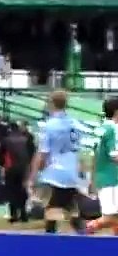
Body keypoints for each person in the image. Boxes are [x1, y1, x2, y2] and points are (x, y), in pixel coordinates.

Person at [30, 91, 86, 234]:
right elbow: (78, 151)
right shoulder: (75, 124)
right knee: (72, 209)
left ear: (51, 104)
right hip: (71, 171)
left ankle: (50, 243)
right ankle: (84, 235)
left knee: (51, 208)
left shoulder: (50, 125)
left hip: (54, 172)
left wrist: (33, 175)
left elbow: (42, 153)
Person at [85, 98, 118, 235]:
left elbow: (94, 155)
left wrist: (93, 179)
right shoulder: (113, 129)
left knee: (114, 216)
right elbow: (115, 156)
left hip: (103, 178)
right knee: (110, 217)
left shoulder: (100, 128)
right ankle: (86, 228)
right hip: (112, 179)